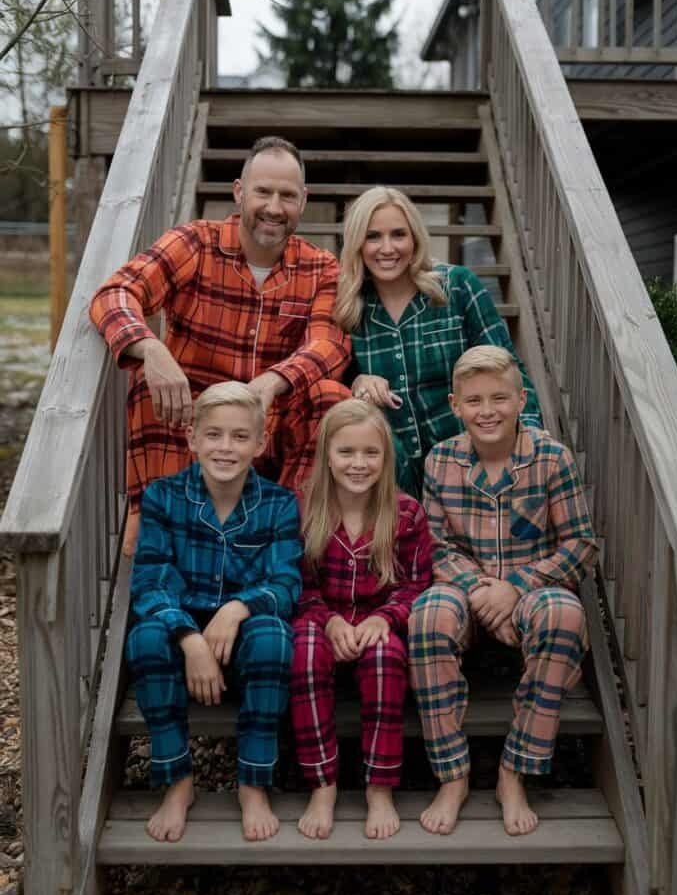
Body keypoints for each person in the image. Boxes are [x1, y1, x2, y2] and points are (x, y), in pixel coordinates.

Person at [90, 135, 350, 554]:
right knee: (147, 379)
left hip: (270, 427)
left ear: (303, 201)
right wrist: (151, 348)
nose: (274, 207)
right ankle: (158, 527)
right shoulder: (194, 244)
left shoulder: (322, 268)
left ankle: (284, 534)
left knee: (331, 397)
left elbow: (330, 343)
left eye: (287, 196)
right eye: (263, 191)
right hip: (194, 426)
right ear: (239, 192)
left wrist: (271, 383)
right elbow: (115, 293)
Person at [408, 346, 597, 837]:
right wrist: (478, 591)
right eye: (473, 401)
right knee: (428, 612)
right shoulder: (441, 461)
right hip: (467, 596)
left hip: (530, 591)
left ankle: (515, 771)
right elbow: (436, 546)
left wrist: (514, 588)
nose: (486, 411)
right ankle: (453, 775)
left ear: (521, 400)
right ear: (455, 405)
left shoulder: (551, 457)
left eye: (498, 398)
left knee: (564, 614)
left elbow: (580, 543)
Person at [126, 382, 302, 843]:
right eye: (215, 435)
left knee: (274, 636)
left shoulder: (280, 504)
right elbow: (149, 581)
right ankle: (178, 782)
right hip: (182, 629)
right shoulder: (164, 497)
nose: (226, 447)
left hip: (241, 635)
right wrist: (189, 638)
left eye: (240, 437)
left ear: (260, 444)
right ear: (192, 438)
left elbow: (286, 583)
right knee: (145, 636)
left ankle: (253, 783)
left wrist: (237, 608)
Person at [335, 186, 542, 497]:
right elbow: (337, 381)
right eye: (373, 236)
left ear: (415, 237)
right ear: (356, 243)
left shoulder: (457, 288)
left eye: (398, 234)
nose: (387, 248)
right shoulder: (350, 309)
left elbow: (508, 370)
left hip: (470, 466)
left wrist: (532, 446)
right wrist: (358, 381)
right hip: (395, 481)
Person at [290, 399, 432, 841]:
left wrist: (386, 619)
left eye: (370, 453)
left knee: (387, 657)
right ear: (326, 454)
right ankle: (323, 784)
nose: (358, 463)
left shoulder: (406, 513)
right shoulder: (302, 508)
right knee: (305, 651)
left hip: (377, 623)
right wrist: (328, 621)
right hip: (319, 620)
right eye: (346, 452)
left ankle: (379, 786)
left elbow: (417, 584)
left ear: (386, 457)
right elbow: (299, 585)